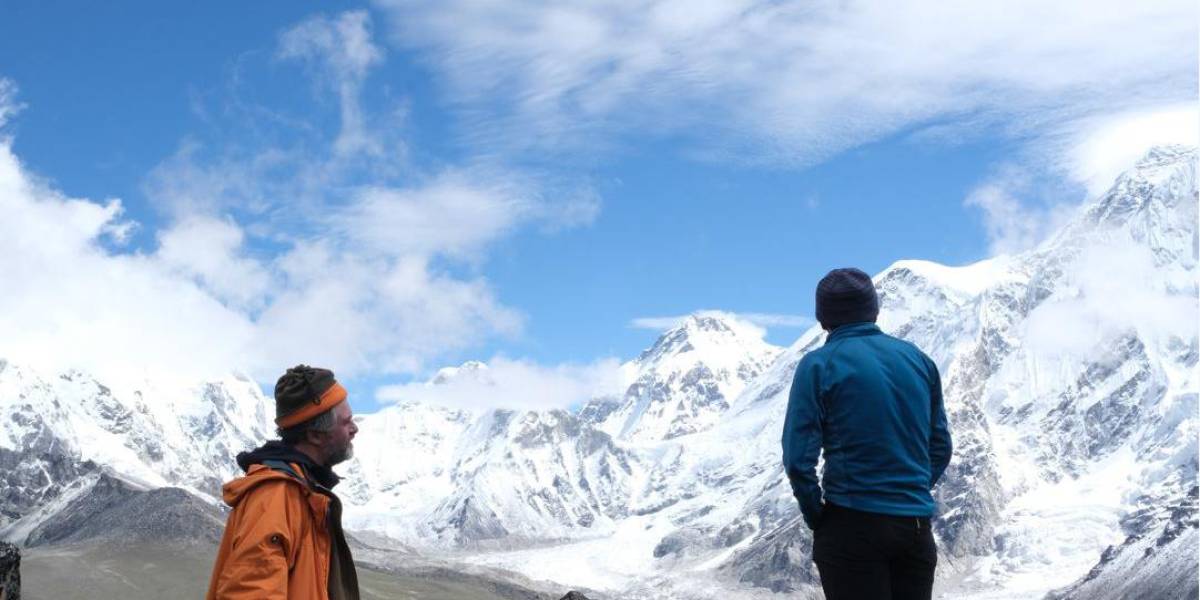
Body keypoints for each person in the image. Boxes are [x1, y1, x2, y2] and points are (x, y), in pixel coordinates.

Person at [782, 268, 952, 600]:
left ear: (822, 318)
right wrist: (909, 491)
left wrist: (821, 518)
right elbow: (941, 446)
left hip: (852, 525)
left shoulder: (818, 365)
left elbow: (797, 460)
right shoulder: (919, 361)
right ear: (874, 309)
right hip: (915, 529)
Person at [207, 365, 361, 600]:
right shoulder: (275, 496)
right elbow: (251, 593)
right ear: (315, 435)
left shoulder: (305, 492)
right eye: (346, 422)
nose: (354, 429)